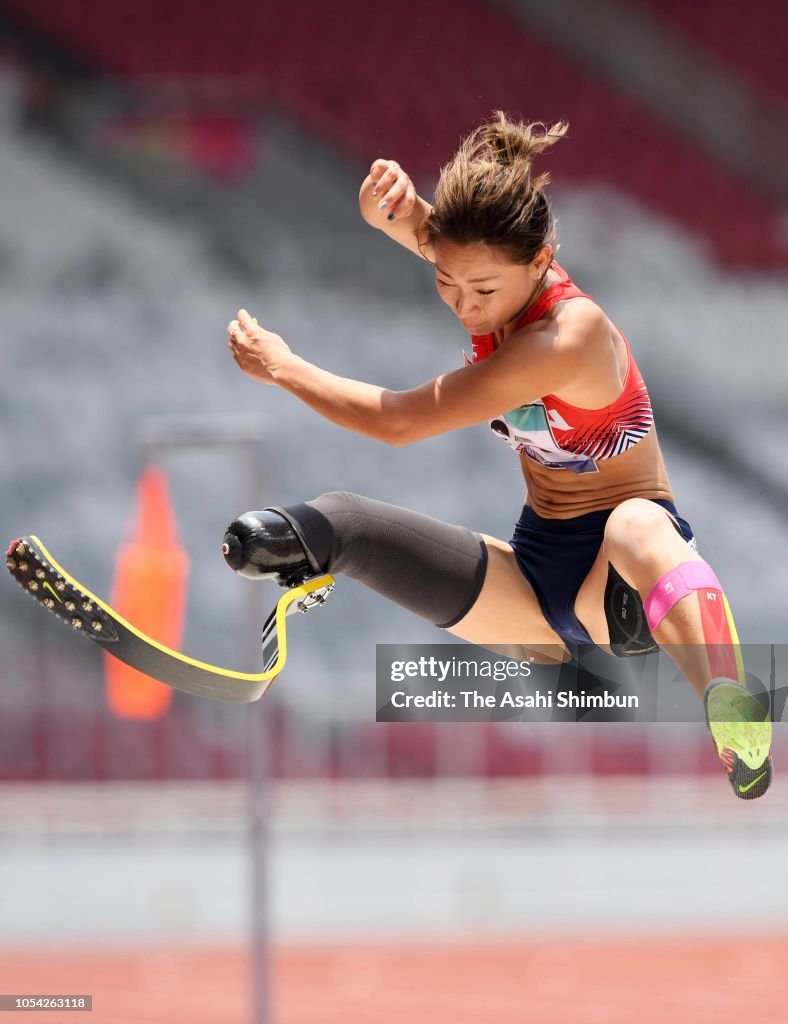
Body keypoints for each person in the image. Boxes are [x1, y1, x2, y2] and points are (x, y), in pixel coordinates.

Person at [223, 112, 772, 800]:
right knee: (342, 524)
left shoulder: (568, 337)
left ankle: (732, 706)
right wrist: (389, 210)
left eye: (481, 292)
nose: (464, 306)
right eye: (446, 284)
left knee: (633, 523)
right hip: (538, 581)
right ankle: (256, 564)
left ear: (541, 263)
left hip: (620, 581)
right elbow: (446, 242)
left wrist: (284, 367)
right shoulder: (489, 272)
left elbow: (399, 421)